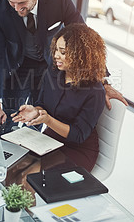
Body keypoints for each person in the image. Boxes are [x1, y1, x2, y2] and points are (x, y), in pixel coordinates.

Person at [0, 0, 127, 133]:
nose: (16, 9)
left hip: (50, 68)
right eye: (12, 2)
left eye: (22, 2)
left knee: (36, 119)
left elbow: (83, 37)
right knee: (9, 120)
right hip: (18, 68)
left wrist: (102, 80)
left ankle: (29, 153)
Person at [12, 24, 107, 171]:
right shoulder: (53, 73)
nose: (56, 55)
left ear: (80, 55)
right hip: (50, 139)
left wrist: (48, 120)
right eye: (56, 49)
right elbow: (42, 104)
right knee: (14, 167)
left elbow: (78, 135)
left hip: (77, 151)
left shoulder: (95, 91)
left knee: (28, 175)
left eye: (62, 52)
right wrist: (35, 111)